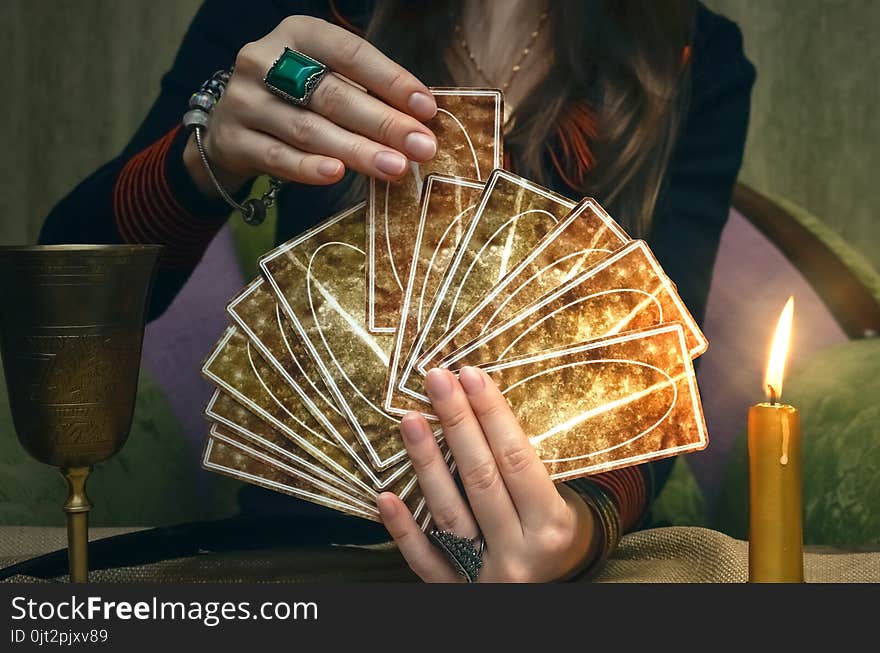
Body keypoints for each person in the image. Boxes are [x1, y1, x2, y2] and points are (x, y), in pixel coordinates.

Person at [40, 0, 755, 582]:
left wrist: (581, 525)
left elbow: (656, 368)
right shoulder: (288, 13)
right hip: (308, 552)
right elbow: (60, 296)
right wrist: (204, 154)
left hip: (562, 561)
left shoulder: (693, 53)